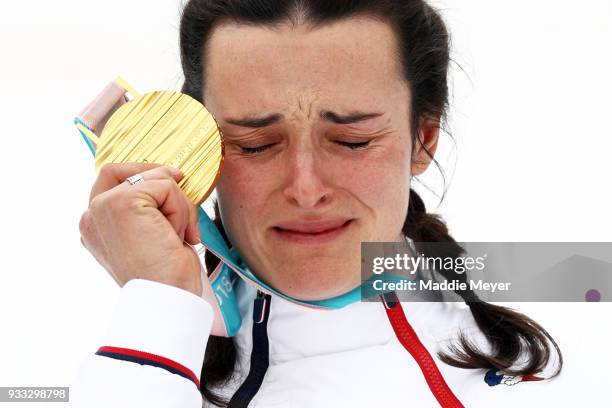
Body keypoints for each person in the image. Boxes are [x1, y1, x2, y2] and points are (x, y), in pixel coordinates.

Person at [71, 1, 580, 407]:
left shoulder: (580, 311)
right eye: (255, 144)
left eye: (353, 140)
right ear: (196, 151)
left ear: (423, 138)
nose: (306, 188)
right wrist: (159, 307)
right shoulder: (145, 356)